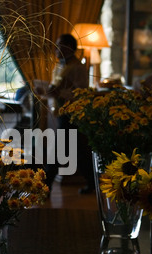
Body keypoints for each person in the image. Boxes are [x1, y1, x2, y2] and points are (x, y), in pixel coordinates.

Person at [42, 33, 95, 194]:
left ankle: (46, 184)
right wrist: (45, 91)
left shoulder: (77, 67)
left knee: (60, 149)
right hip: (60, 112)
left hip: (72, 113)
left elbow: (81, 92)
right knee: (77, 150)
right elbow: (56, 88)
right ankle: (92, 182)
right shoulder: (59, 66)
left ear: (69, 47)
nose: (56, 49)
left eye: (60, 45)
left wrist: (58, 93)